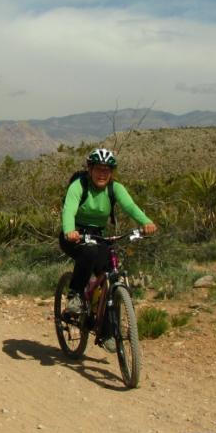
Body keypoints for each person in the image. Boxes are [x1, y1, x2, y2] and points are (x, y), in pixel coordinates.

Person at [59, 148, 157, 350]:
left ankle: (108, 331)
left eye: (107, 170)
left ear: (111, 172)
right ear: (90, 169)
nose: (102, 174)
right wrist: (70, 230)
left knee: (110, 275)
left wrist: (146, 222)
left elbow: (130, 207)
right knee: (88, 253)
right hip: (75, 234)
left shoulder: (115, 188)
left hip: (98, 234)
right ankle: (75, 295)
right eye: (98, 169)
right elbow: (69, 209)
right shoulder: (79, 185)